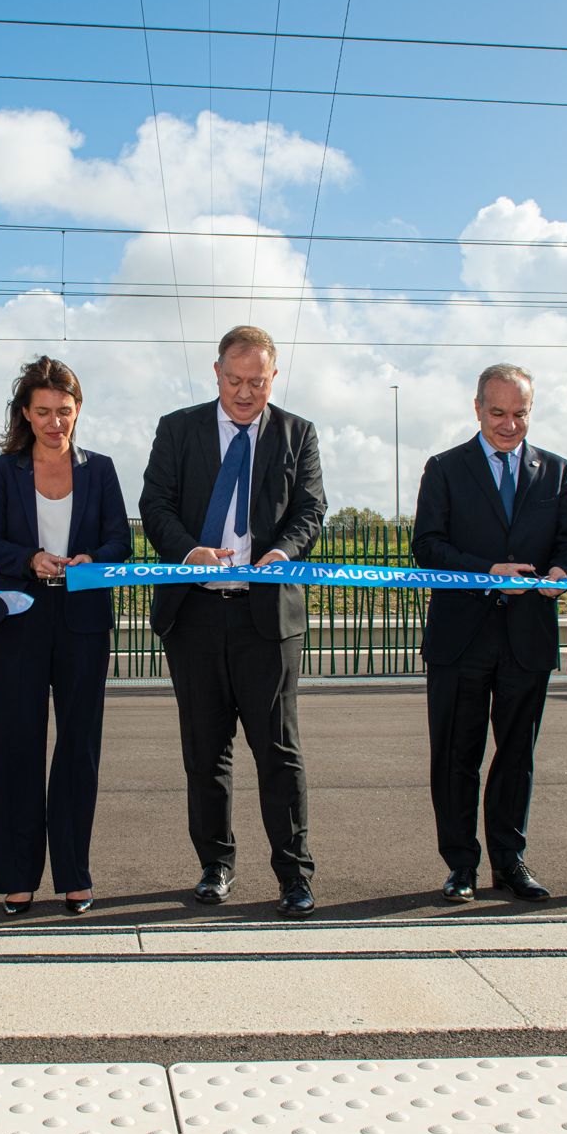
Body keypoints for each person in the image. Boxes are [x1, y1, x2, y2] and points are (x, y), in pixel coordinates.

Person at [140, 325, 328, 917]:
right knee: (205, 752)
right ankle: (215, 865)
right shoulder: (178, 429)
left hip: (265, 619)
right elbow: (154, 504)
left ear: (274, 377)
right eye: (235, 380)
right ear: (216, 373)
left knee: (278, 751)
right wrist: (187, 550)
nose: (245, 393)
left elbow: (311, 509)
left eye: (258, 381)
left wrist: (284, 552)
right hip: (195, 614)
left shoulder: (298, 433)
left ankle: (294, 873)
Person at [413, 363, 567, 904]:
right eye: (498, 413)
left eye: (520, 414)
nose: (509, 425)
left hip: (528, 638)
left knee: (516, 758)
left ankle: (510, 862)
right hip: (460, 638)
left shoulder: (558, 471)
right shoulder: (445, 468)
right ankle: (461, 864)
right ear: (477, 408)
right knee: (456, 756)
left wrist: (563, 570)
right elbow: (428, 546)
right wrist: (488, 573)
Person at [0, 356, 131, 915]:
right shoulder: (2, 470)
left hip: (83, 620)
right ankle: (18, 876)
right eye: (42, 411)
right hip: (21, 616)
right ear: (25, 413)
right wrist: (29, 559)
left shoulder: (101, 469)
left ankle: (74, 874)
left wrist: (92, 560)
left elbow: (120, 541)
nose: (54, 422)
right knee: (17, 744)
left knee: (78, 748)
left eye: (64, 411)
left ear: (78, 410)